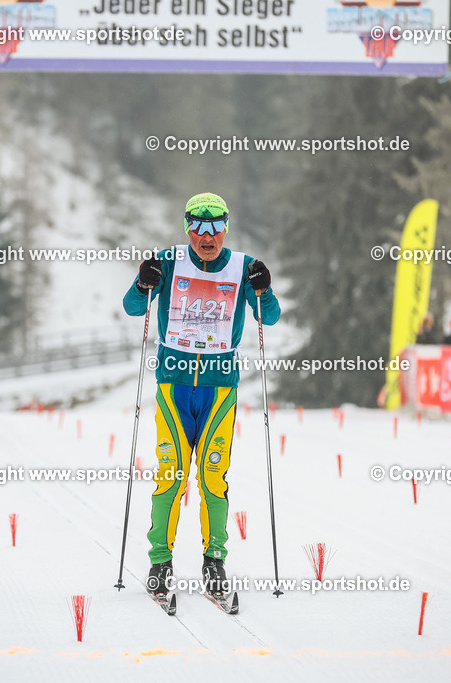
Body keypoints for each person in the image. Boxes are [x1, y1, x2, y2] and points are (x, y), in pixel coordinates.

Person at [123, 192, 281, 598]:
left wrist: (264, 289)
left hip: (219, 389)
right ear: (187, 227)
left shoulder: (243, 267)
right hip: (174, 386)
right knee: (170, 475)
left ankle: (215, 563)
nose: (206, 236)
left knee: (213, 476)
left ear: (226, 227)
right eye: (197, 226)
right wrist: (144, 283)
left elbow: (270, 316)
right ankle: (160, 563)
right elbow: (132, 306)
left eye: (214, 227)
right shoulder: (169, 260)